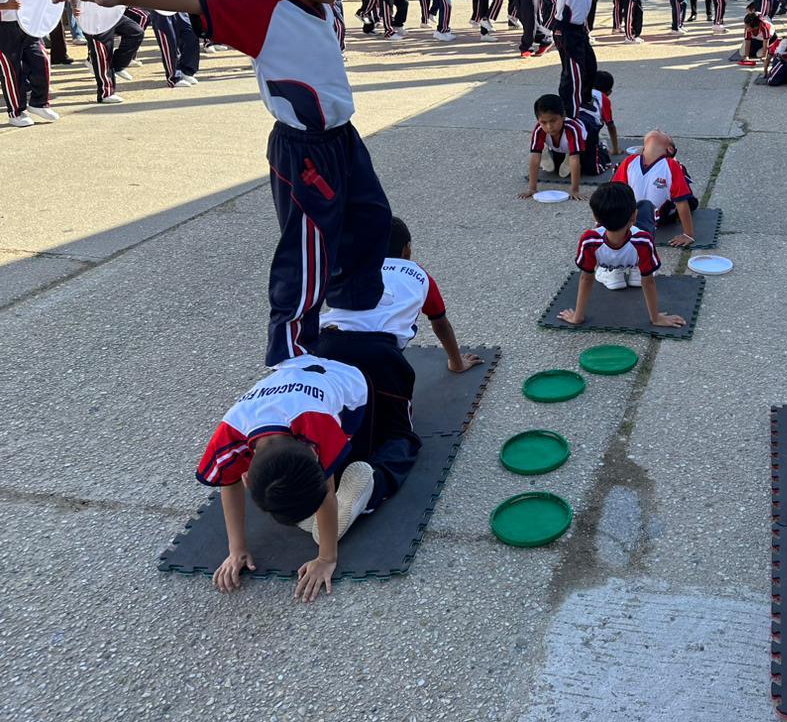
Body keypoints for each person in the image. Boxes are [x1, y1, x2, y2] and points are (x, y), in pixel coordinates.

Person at [56, 0, 393, 369]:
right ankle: (291, 348)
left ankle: (353, 307)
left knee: (372, 218)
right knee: (309, 245)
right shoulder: (263, 15)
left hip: (343, 138)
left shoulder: (326, 8)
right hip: (305, 149)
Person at [196, 353, 413, 602]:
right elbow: (227, 482)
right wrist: (236, 550)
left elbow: (326, 492)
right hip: (299, 382)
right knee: (297, 498)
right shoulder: (228, 437)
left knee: (394, 443)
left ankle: (367, 482)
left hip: (353, 389)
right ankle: (324, 508)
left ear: (313, 452)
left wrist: (326, 558)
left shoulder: (319, 426)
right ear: (246, 476)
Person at [318, 215, 482, 375]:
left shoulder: (355, 267)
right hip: (381, 353)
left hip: (328, 341)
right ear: (407, 249)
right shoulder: (420, 276)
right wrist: (457, 363)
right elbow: (441, 324)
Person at [557, 182, 684, 328]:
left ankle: (612, 272)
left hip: (608, 253)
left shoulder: (589, 240)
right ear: (634, 216)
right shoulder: (644, 241)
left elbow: (586, 278)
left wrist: (577, 317)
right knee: (647, 206)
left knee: (638, 210)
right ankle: (637, 269)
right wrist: (655, 318)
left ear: (595, 218)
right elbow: (648, 282)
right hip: (636, 251)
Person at [63, 0, 143, 105]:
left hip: (108, 12)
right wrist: (74, 0)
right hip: (92, 17)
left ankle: (117, 66)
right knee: (102, 53)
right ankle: (106, 92)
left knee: (136, 32)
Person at [543, 0, 601, 119]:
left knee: (590, 66)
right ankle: (571, 114)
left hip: (579, 31)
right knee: (573, 74)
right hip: (565, 30)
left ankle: (583, 102)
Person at [0, 0, 57, 127]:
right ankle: (16, 112)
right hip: (4, 31)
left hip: (26, 25)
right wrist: (4, 5)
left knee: (41, 59)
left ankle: (39, 102)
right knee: (12, 70)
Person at [612, 130, 697, 244]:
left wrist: (688, 234)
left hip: (656, 217)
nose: (658, 129)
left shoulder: (671, 165)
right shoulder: (629, 161)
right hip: (630, 216)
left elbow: (681, 201)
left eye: (664, 133)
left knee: (689, 201)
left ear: (669, 149)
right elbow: (614, 193)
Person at [520, 93, 589, 200]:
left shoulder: (572, 129)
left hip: (584, 142)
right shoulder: (539, 129)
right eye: (543, 122)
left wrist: (575, 190)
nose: (549, 126)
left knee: (591, 168)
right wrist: (532, 189)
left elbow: (575, 159)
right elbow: (534, 157)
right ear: (538, 120)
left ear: (563, 116)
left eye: (553, 121)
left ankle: (570, 153)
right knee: (553, 168)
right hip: (558, 147)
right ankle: (545, 152)